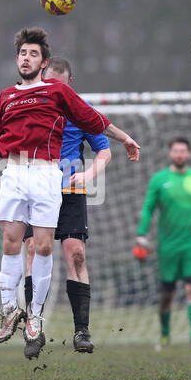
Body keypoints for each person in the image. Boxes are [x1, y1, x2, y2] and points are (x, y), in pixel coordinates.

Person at [0, 27, 140, 360]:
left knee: (42, 246)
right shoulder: (6, 96)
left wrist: (124, 138)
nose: (26, 58)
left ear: (44, 62)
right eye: (22, 53)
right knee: (12, 243)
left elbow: (93, 118)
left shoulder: (56, 91)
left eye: (33, 54)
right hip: (12, 172)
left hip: (45, 173)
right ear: (17, 58)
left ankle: (36, 318)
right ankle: (10, 309)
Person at [23, 57, 111, 356]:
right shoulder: (30, 104)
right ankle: (34, 327)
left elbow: (104, 151)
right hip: (36, 189)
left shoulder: (81, 111)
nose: (55, 91)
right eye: (50, 84)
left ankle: (82, 331)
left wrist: (88, 174)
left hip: (70, 190)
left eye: (61, 86)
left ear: (69, 86)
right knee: (34, 248)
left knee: (75, 252)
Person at [135, 137, 191, 350]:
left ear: (189, 154)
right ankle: (164, 335)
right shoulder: (159, 179)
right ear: (170, 154)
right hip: (167, 246)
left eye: (183, 150)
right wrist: (141, 234)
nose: (180, 154)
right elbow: (148, 208)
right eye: (176, 150)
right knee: (167, 294)